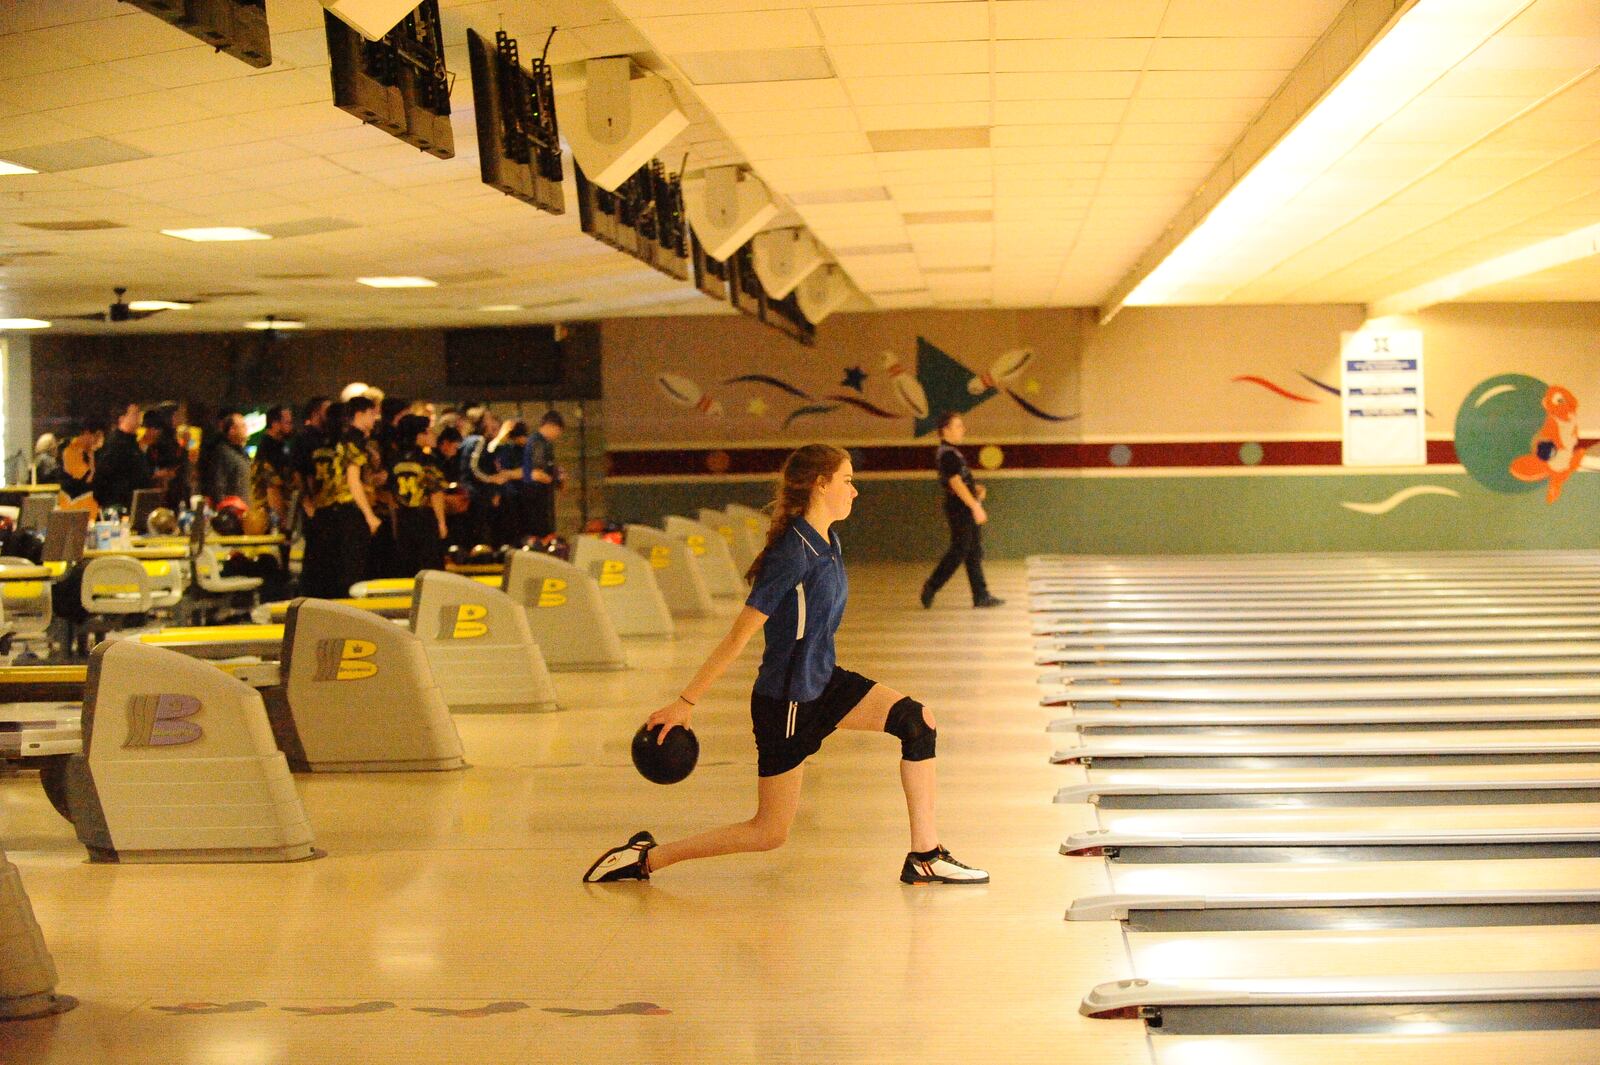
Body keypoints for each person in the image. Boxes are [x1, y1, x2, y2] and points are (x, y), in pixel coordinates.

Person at [583, 444, 988, 887]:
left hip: (824, 682)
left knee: (917, 721)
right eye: (847, 480)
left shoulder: (828, 539)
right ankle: (645, 859)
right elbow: (740, 635)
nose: (855, 491)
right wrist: (685, 702)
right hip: (788, 701)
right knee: (768, 832)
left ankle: (925, 856)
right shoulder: (791, 553)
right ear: (820, 484)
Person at [920, 412, 1003, 610]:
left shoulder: (952, 453)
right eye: (958, 426)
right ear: (945, 430)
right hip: (960, 509)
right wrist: (975, 507)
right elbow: (955, 483)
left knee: (973, 551)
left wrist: (976, 491)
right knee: (959, 550)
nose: (962, 429)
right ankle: (931, 586)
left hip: (964, 506)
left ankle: (981, 595)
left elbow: (961, 481)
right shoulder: (947, 453)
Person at [300, 398, 381, 598]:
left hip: (330, 510)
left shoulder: (337, 441)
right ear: (359, 415)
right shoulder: (354, 440)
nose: (375, 418)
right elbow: (353, 481)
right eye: (372, 414)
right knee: (351, 571)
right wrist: (369, 515)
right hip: (348, 510)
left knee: (334, 571)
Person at [389, 414, 447, 575]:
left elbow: (391, 497)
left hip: (403, 518)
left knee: (408, 567)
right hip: (425, 518)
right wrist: (441, 522)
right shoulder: (427, 460)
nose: (432, 435)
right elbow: (435, 492)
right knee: (430, 566)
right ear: (418, 435)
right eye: (428, 431)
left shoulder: (393, 460)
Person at [91, 401, 153, 512]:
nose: (139, 417)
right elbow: (103, 476)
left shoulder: (133, 443)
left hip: (136, 504)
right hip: (120, 506)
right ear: (122, 418)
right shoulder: (115, 444)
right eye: (134, 414)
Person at [250, 405, 295, 532]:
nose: (291, 427)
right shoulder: (269, 452)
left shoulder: (278, 447)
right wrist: (283, 521)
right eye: (288, 423)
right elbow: (272, 490)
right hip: (270, 521)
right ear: (275, 424)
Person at [521, 409, 565, 539]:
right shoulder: (539, 443)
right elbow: (537, 471)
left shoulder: (538, 442)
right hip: (536, 496)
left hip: (538, 495)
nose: (558, 435)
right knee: (540, 531)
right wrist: (553, 478)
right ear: (552, 426)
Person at [206, 410, 252, 504]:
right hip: (234, 513)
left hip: (245, 511)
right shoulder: (223, 454)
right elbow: (219, 486)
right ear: (232, 430)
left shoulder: (242, 454)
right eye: (242, 426)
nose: (246, 429)